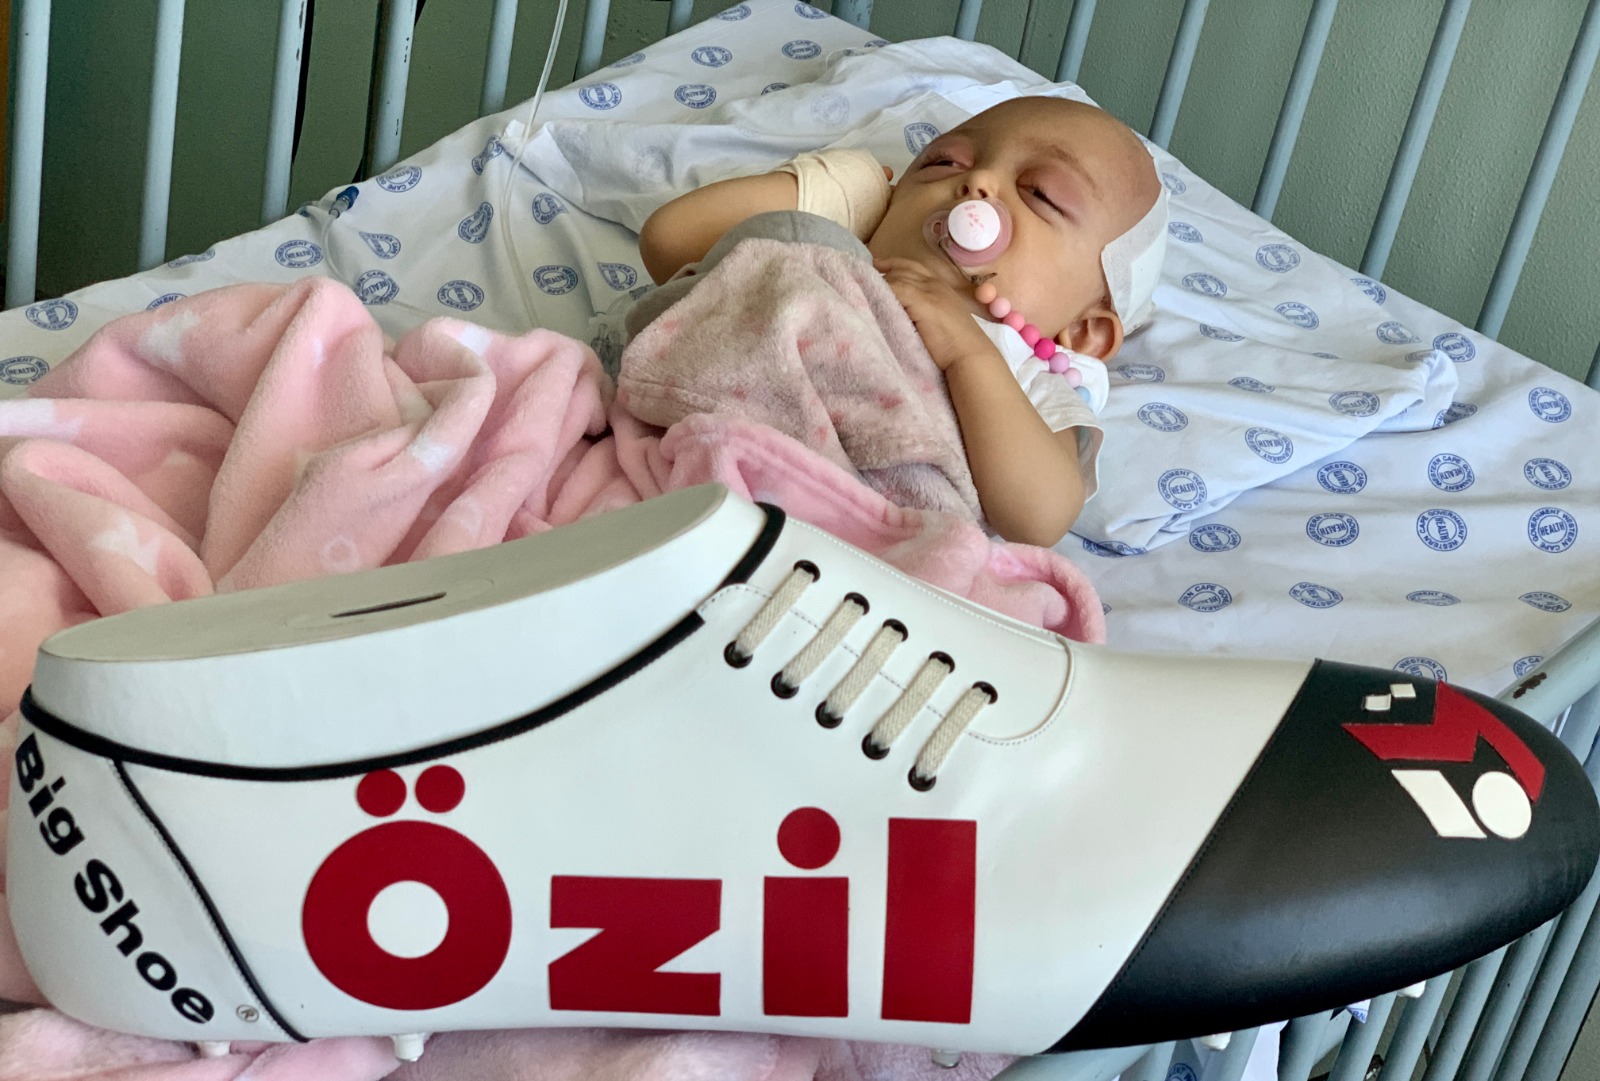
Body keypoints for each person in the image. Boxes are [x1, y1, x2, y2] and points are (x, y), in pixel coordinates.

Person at [636, 96, 1167, 548]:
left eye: (1041, 194)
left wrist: (968, 354)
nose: (978, 181)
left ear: (1084, 331)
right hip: (672, 453)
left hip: (830, 536)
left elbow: (1039, 518)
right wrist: (843, 197)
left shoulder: (1023, 373)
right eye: (944, 162)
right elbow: (667, 243)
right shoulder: (830, 260)